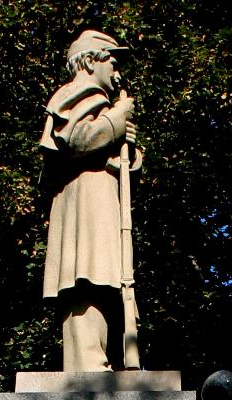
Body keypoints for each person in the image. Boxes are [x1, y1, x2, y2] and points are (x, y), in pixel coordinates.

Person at [40, 29, 141, 372]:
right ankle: (88, 361)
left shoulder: (98, 101)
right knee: (87, 276)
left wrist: (128, 145)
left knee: (104, 278)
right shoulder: (78, 94)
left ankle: (103, 356)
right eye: (112, 61)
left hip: (100, 198)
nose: (117, 71)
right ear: (91, 59)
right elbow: (79, 139)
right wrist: (116, 120)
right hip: (85, 198)